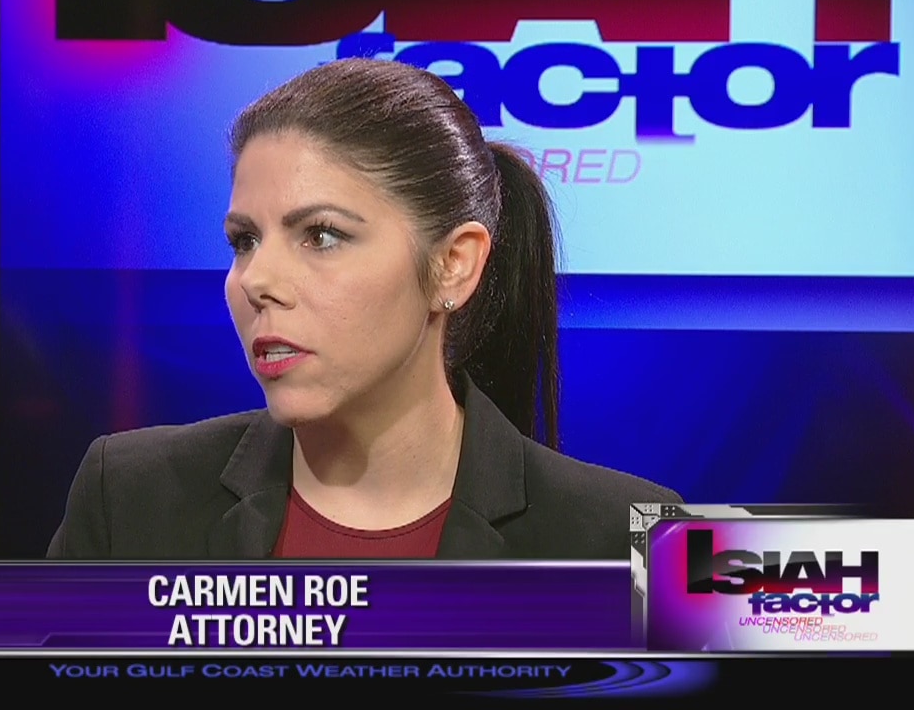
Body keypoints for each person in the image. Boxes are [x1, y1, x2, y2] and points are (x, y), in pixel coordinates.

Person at [47, 58, 681, 560]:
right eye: (244, 240)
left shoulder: (639, 540)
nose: (256, 280)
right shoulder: (125, 498)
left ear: (453, 264)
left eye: (322, 235)